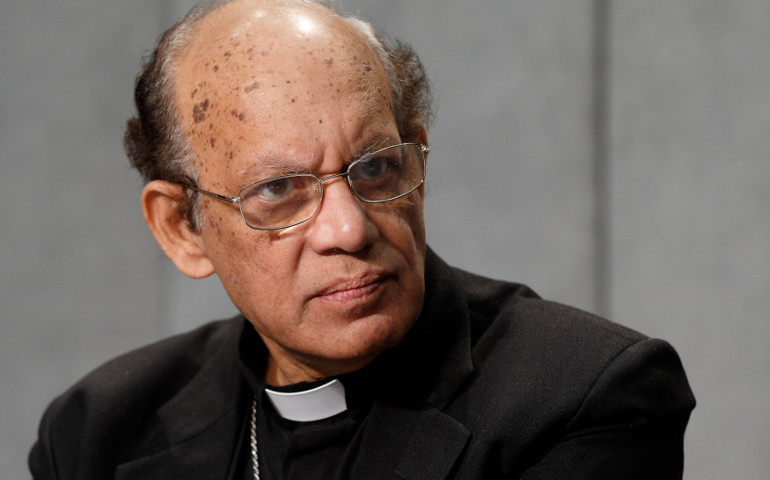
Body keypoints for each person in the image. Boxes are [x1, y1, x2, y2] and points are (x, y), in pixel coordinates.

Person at [29, 0, 695, 478]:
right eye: (279, 189)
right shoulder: (97, 430)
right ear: (183, 229)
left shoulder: (585, 395)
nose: (349, 228)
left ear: (420, 167)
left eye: (376, 168)